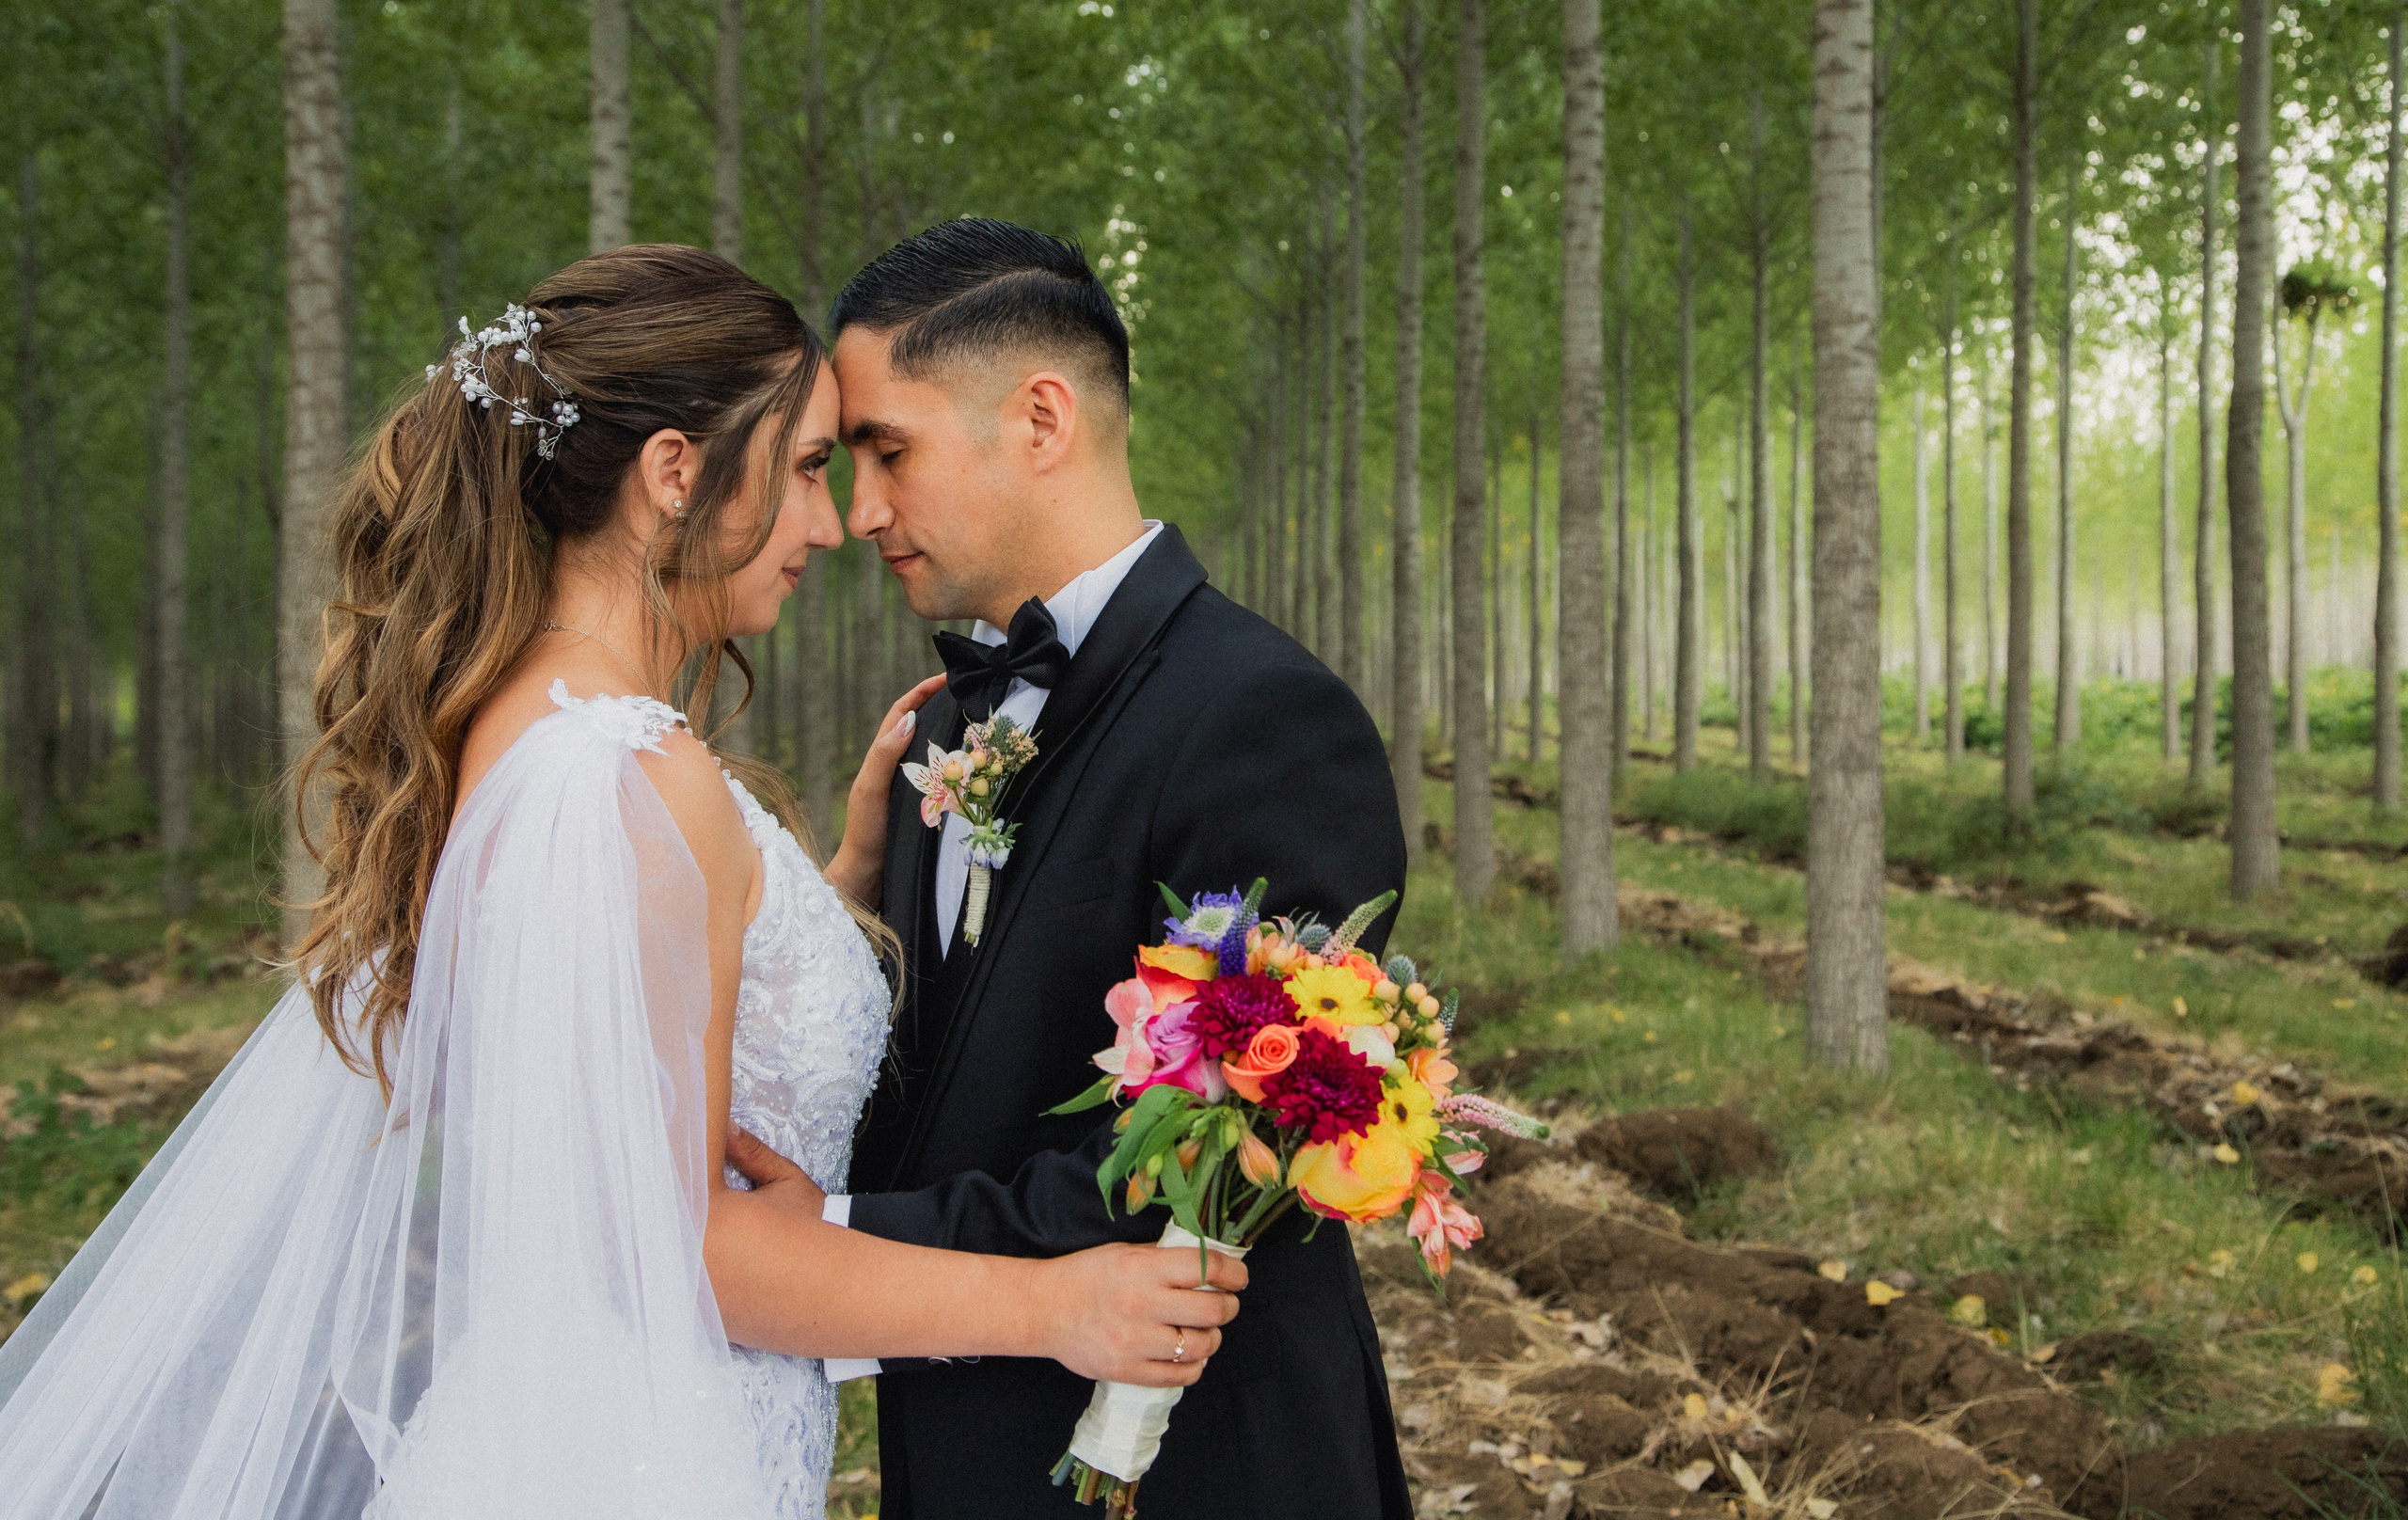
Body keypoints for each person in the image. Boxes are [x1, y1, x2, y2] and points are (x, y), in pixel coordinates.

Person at [0, 244, 1244, 1520]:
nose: (834, 520)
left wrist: (833, 882)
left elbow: (630, 1060)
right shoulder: (633, 775)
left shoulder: (526, 729)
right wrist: (1052, 1305)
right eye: (810, 467)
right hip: (648, 1449)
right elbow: (677, 1244)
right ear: (673, 476)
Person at [777, 217, 1415, 1519]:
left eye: (886, 451)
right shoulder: (941, 729)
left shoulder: (1266, 716)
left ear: (1042, 418)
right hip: (960, 1449)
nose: (863, 512)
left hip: (1203, 1467)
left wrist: (827, 1254)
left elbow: (1222, 1147)